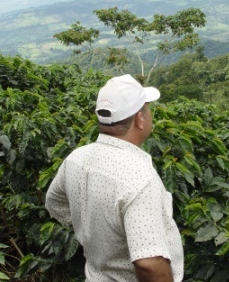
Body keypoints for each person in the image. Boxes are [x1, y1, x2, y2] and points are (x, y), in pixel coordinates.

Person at [45, 74, 183, 282]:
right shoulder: (140, 179)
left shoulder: (77, 158)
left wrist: (93, 229)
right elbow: (148, 263)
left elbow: (54, 203)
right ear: (140, 119)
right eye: (147, 109)